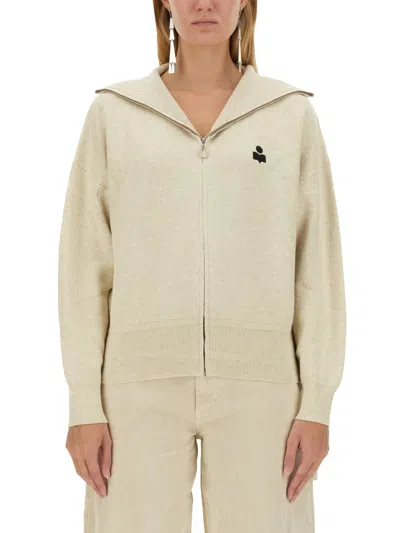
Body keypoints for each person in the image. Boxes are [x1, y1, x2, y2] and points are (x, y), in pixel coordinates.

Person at [57, 1, 346, 532]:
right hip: (135, 387)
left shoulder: (288, 114)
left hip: (263, 387)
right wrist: (83, 403)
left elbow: (317, 269)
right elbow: (84, 266)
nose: (204, 3)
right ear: (164, 2)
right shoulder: (114, 113)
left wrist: (317, 403)